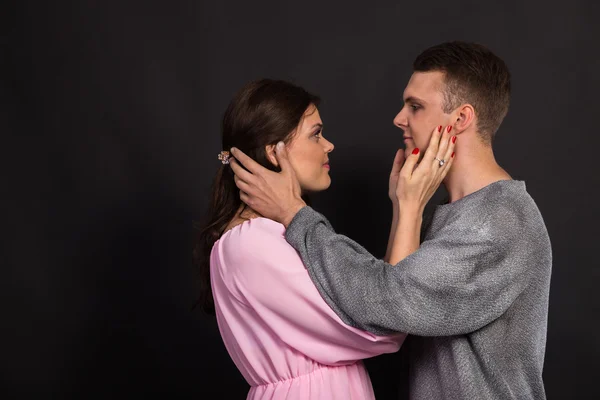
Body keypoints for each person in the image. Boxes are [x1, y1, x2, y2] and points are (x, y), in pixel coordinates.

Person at [229, 41, 552, 399]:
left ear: (460, 119)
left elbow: (392, 304)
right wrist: (406, 208)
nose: (399, 118)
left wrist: (294, 213)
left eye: (415, 106)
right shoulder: (456, 215)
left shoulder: (497, 222)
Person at [195, 79, 455, 399]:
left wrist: (404, 207)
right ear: (273, 152)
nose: (328, 145)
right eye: (315, 134)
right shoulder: (251, 245)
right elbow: (386, 321)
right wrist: (413, 207)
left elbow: (381, 296)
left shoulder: (271, 236)